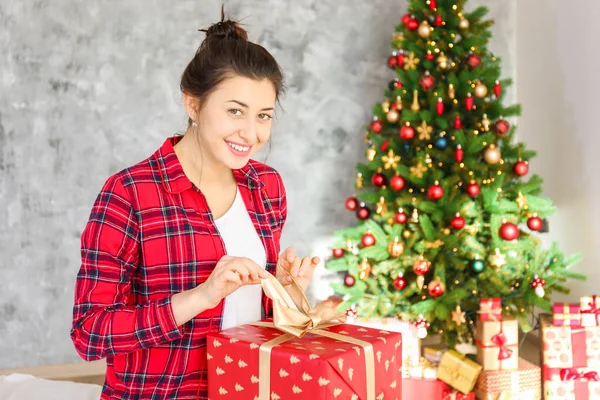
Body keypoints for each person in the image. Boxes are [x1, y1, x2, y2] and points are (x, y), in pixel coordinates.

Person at [70, 8, 319, 399]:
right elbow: (89, 334)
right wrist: (200, 297)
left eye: (263, 116)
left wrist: (285, 294)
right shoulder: (130, 193)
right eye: (235, 111)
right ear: (193, 105)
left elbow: (252, 321)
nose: (251, 133)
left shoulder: (267, 187)